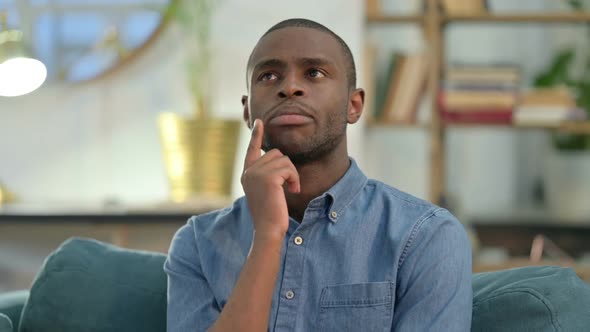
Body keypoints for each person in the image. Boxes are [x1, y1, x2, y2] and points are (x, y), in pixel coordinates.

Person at [165, 18, 472, 331]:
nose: (289, 87)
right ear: (247, 111)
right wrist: (269, 234)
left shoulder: (426, 237)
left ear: (353, 106)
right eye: (269, 76)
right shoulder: (198, 244)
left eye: (314, 73)